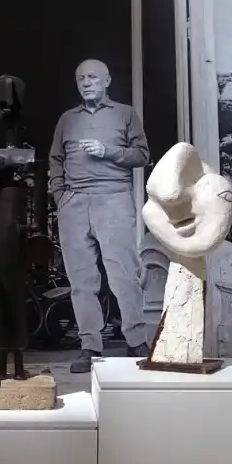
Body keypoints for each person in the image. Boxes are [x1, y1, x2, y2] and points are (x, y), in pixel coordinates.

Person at [49, 59, 151, 373]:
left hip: (114, 199)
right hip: (74, 203)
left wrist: (108, 151)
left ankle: (136, 341)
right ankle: (90, 346)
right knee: (81, 280)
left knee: (123, 274)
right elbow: (55, 160)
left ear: (107, 80)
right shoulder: (67, 119)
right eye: (81, 78)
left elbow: (142, 154)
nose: (86, 82)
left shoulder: (125, 114)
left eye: (93, 77)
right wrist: (60, 198)